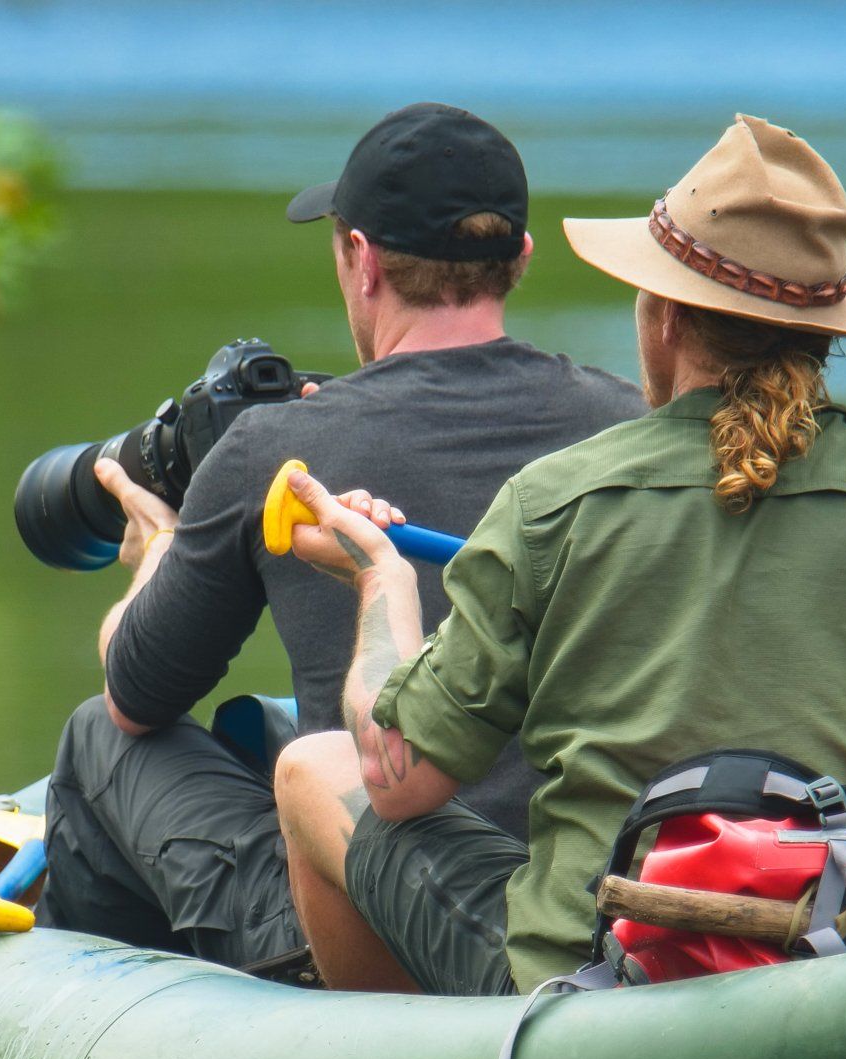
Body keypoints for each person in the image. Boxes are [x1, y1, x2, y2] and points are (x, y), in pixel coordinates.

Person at [273, 113, 846, 996]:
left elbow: (398, 778)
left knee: (314, 769)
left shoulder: (550, 504)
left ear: (666, 314)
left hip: (604, 977)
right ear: (827, 334)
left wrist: (383, 582)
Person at [42, 103, 647, 972]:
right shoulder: (630, 425)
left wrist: (161, 552)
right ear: (518, 258)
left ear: (361, 260)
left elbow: (139, 692)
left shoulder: (277, 451)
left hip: (364, 907)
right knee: (271, 735)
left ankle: (117, 1030)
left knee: (98, 736)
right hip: (583, 904)